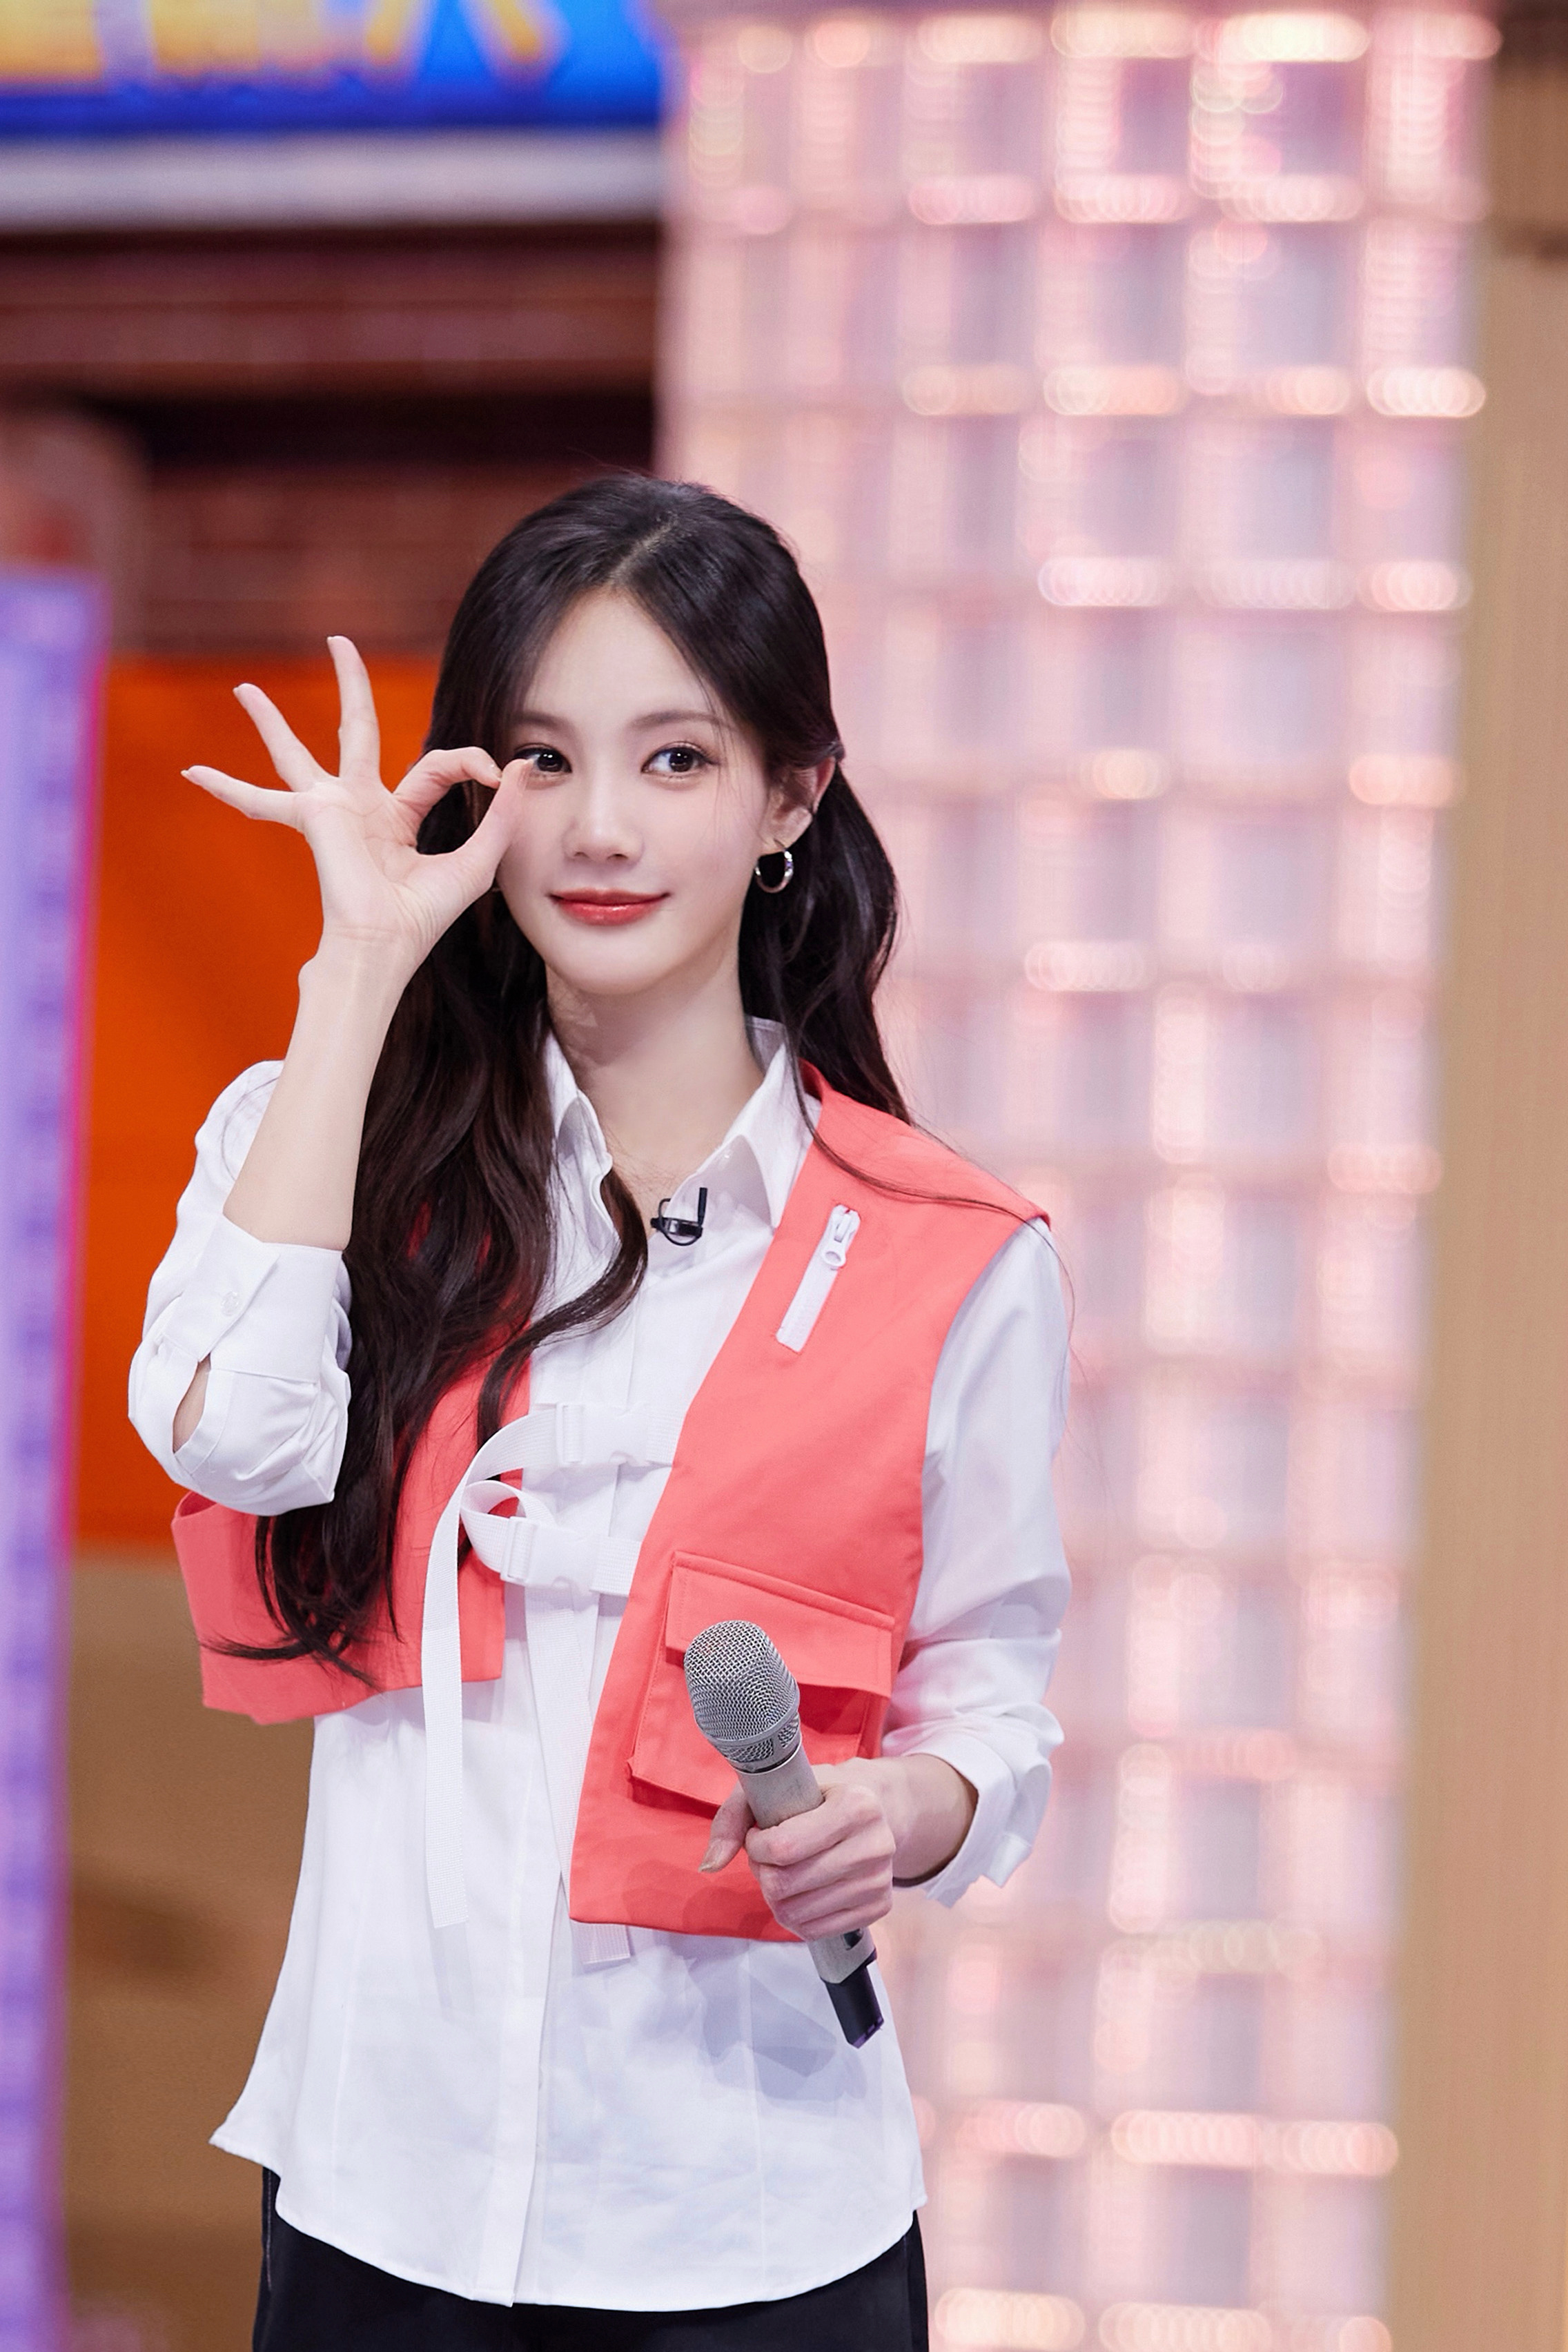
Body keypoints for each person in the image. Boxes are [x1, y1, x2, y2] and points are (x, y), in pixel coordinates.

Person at [128, 476, 1070, 2351]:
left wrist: (908, 1808)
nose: (601, 829)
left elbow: (991, 1689)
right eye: (545, 759)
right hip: (383, 2191)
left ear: (792, 796)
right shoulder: (320, 1137)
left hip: (751, 2222)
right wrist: (357, 970)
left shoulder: (954, 1256)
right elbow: (237, 1439)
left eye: (677, 758)